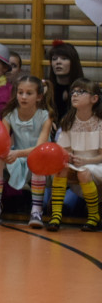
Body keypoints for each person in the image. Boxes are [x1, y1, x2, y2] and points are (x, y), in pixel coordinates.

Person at [0, 75, 53, 227]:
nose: (23, 97)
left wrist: (16, 154)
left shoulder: (45, 116)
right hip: (18, 157)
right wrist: (3, 153)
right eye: (20, 92)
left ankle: (36, 211)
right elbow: (3, 142)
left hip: (42, 159)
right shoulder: (9, 115)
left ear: (39, 96)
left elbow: (40, 147)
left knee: (38, 159)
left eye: (29, 93)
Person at [49, 78, 102, 232]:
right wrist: (68, 157)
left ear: (94, 99)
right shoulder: (68, 121)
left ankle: (94, 216)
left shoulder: (99, 123)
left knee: (84, 172)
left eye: (81, 92)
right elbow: (64, 149)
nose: (75, 95)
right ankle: (56, 216)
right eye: (73, 92)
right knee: (61, 168)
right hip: (77, 164)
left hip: (96, 164)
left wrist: (85, 160)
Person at [46, 40, 84, 121]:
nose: (58, 62)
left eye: (64, 58)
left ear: (73, 62)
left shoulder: (85, 89)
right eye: (54, 59)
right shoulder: (46, 88)